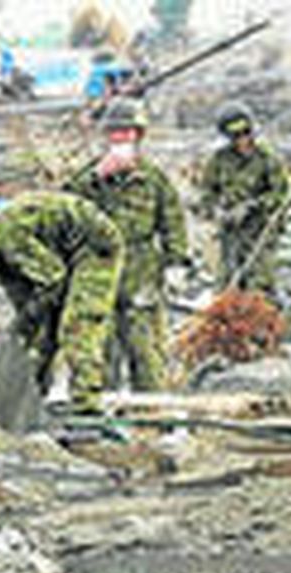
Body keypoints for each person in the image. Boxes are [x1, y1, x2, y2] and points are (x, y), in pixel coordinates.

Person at [0, 193, 123, 413]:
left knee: (76, 325)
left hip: (94, 246)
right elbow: (25, 298)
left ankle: (87, 403)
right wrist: (21, 333)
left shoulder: (4, 235)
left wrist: (28, 318)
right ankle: (35, 395)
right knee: (41, 333)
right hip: (61, 256)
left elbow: (53, 280)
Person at [66, 98, 189, 391]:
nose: (122, 138)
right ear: (106, 136)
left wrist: (177, 263)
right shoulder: (88, 177)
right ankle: (103, 419)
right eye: (116, 132)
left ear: (139, 136)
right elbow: (65, 211)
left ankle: (153, 419)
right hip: (99, 273)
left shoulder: (152, 179)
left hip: (142, 272)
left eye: (128, 132)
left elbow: (172, 222)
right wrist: (98, 177)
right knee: (100, 353)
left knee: (146, 351)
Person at [199, 103, 288, 295]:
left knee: (259, 283)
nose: (242, 140)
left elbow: (279, 194)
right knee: (226, 283)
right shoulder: (219, 160)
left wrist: (252, 207)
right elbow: (207, 192)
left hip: (259, 231)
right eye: (236, 136)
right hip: (231, 232)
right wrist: (217, 211)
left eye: (245, 133)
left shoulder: (267, 159)